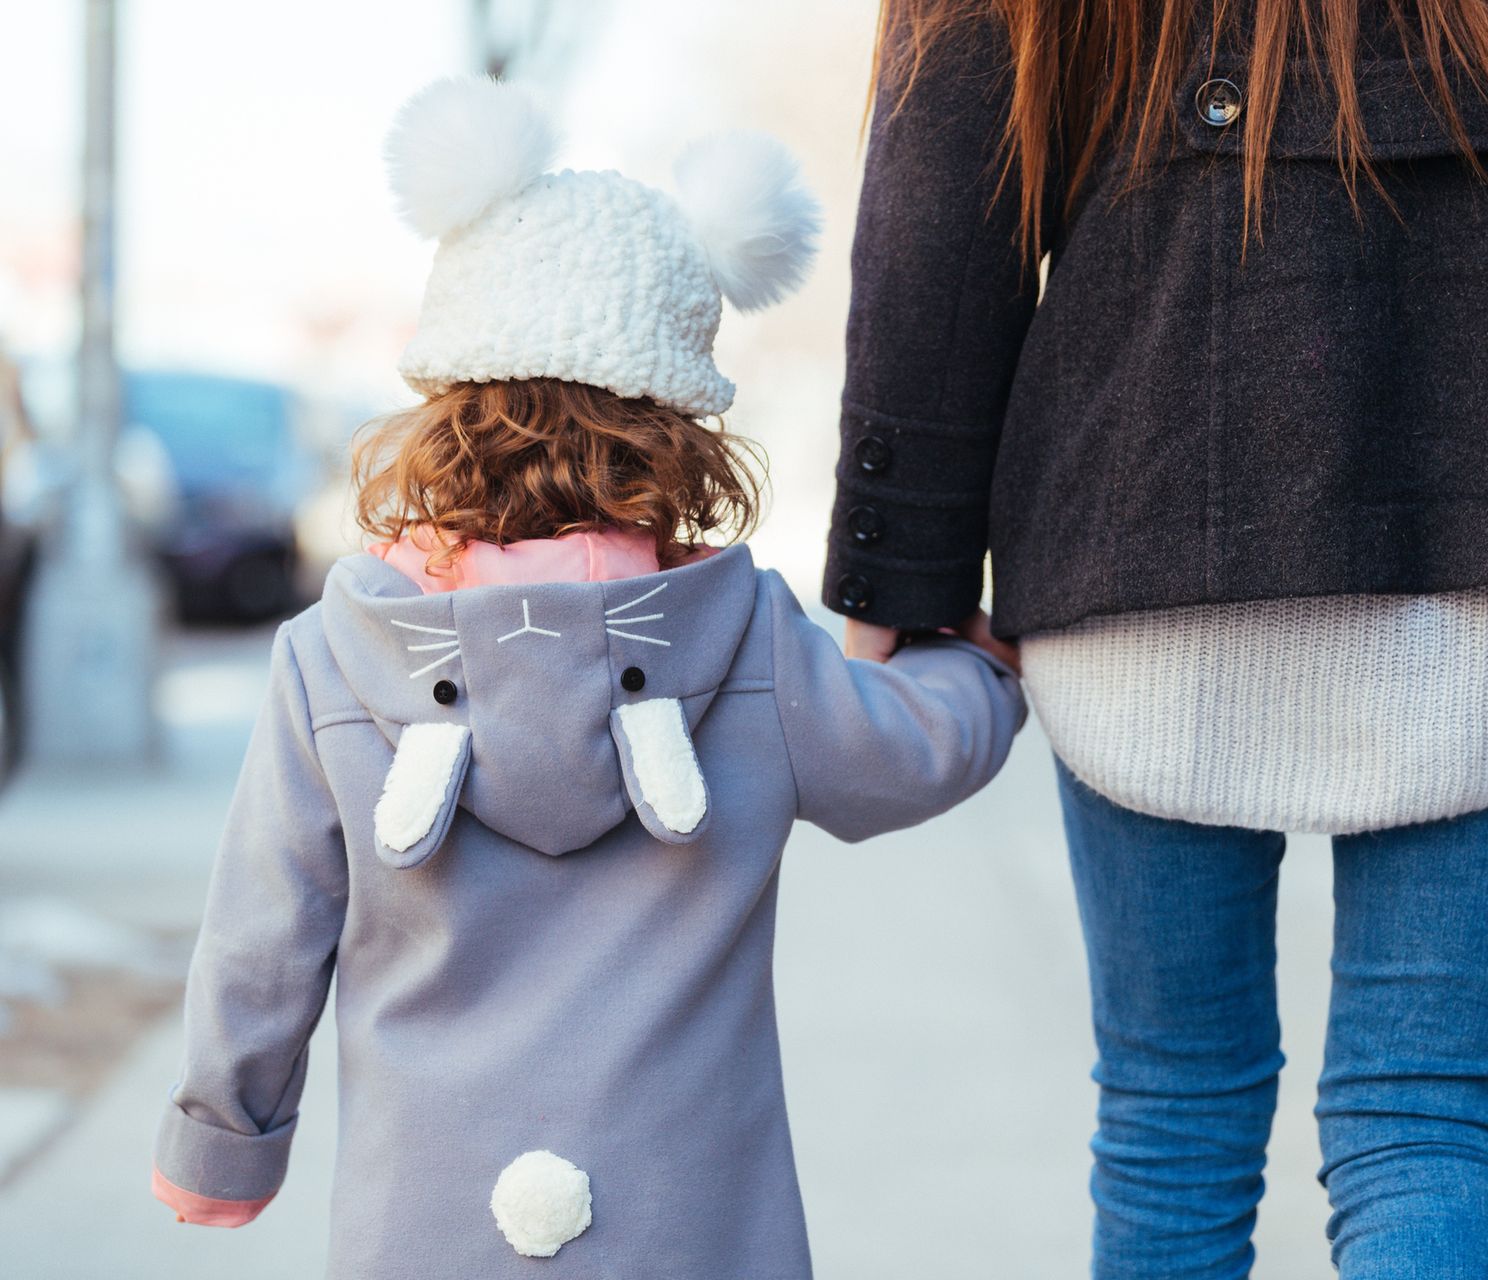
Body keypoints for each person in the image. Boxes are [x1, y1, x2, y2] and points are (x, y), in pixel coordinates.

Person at [825, 1, 1488, 1276]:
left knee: (1170, 1112)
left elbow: (945, 190)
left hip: (1153, 466)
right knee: (1426, 1116)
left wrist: (897, 572)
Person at [149, 76, 1024, 1279]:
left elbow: (262, 934)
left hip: (424, 1230)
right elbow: (914, 751)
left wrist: (219, 1145)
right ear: (679, 431)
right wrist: (984, 665)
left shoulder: (335, 659)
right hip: (696, 1230)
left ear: (448, 403)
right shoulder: (744, 640)